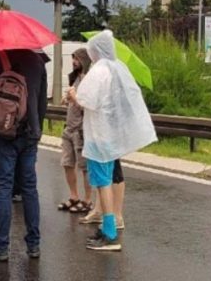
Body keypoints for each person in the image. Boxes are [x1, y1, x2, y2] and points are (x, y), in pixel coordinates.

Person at [68, 30, 156, 252]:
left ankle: (109, 232)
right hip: (110, 135)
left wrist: (72, 96)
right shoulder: (118, 68)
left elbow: (87, 101)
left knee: (103, 183)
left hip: (99, 136)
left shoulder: (99, 71)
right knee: (105, 180)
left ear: (95, 51)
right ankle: (109, 226)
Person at [0, 50, 46, 261]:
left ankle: (1, 246)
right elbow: (42, 100)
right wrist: (37, 130)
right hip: (30, 134)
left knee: (4, 188)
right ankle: (34, 245)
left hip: (5, 134)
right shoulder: (38, 61)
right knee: (29, 189)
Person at [57, 48, 93, 213]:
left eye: (77, 59)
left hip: (81, 129)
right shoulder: (75, 79)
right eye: (73, 58)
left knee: (84, 167)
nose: (73, 62)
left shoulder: (89, 80)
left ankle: (88, 200)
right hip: (69, 127)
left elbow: (89, 107)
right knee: (67, 163)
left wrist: (75, 99)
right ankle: (74, 196)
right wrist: (68, 99)